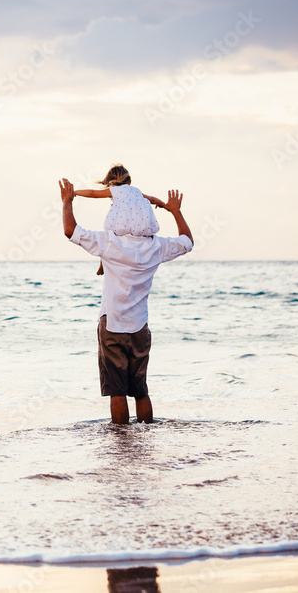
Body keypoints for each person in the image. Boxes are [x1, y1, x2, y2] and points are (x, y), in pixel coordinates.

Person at [60, 177, 193, 425]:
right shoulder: (156, 246)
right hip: (139, 327)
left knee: (117, 391)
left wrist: (67, 202)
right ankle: (146, 436)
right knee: (141, 390)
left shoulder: (110, 242)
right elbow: (187, 242)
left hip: (112, 325)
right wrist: (175, 212)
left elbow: (71, 231)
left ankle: (121, 444)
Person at [74, 164, 165, 275]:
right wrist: (162, 204)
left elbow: (93, 193)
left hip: (122, 224)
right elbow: (151, 198)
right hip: (141, 225)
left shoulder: (114, 189)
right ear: (129, 182)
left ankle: (102, 263)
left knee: (107, 238)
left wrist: (74, 193)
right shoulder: (136, 191)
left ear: (110, 182)